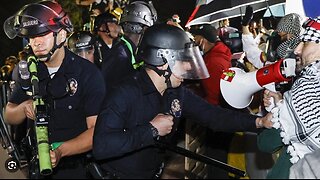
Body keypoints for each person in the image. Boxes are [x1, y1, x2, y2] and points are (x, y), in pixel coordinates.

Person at [92, 23, 274, 179]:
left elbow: (214, 116)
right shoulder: (124, 93)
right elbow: (102, 146)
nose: (188, 67)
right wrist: (151, 130)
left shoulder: (176, 92)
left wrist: (258, 122)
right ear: (162, 61)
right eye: (182, 61)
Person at [3, 1, 106, 178]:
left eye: (43, 34)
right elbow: (9, 115)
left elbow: (96, 130)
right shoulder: (28, 70)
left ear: (62, 34)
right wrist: (25, 106)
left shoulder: (87, 74)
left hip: (74, 168)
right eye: (32, 37)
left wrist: (61, 151)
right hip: (35, 168)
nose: (36, 42)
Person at [257, 15, 320, 179]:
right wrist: (282, 104)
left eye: (305, 43)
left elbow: (266, 143)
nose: (297, 50)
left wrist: (280, 112)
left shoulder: (310, 85)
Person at [189, 24, 235, 179]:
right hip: (222, 113)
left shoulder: (214, 62)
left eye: (196, 38)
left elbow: (215, 95)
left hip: (218, 116)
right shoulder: (216, 54)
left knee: (216, 159)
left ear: (203, 40)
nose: (194, 42)